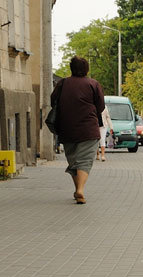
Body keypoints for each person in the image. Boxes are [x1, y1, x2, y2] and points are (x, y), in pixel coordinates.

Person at [50, 56, 105, 204]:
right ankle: (80, 190)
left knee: (74, 161)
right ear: (86, 69)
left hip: (67, 129)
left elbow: (52, 100)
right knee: (85, 161)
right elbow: (100, 107)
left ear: (71, 68)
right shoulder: (93, 84)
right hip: (88, 129)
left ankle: (78, 191)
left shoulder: (62, 84)